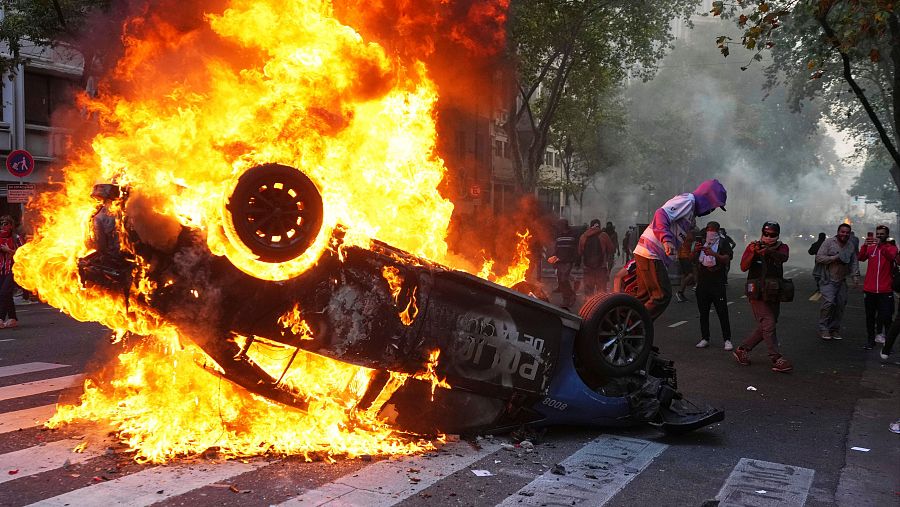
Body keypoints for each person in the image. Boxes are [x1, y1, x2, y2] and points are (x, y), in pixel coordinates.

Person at [631, 179, 727, 320]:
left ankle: (631, 332)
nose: (711, 211)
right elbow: (661, 214)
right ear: (707, 198)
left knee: (644, 297)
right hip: (652, 252)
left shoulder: (691, 215)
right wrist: (666, 240)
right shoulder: (688, 201)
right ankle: (636, 327)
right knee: (661, 296)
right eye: (713, 206)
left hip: (650, 253)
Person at [732, 221, 793, 373]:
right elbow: (743, 266)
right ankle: (776, 357)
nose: (768, 237)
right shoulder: (753, 246)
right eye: (766, 234)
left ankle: (742, 349)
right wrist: (753, 252)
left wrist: (768, 252)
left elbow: (783, 257)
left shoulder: (782, 247)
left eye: (772, 235)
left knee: (766, 326)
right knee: (769, 322)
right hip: (756, 292)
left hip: (773, 291)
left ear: (777, 235)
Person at [815, 223, 860, 341]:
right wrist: (833, 258)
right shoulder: (829, 242)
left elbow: (854, 261)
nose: (844, 234)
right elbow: (819, 257)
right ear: (838, 232)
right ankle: (823, 328)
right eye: (842, 232)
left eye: (847, 232)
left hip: (842, 280)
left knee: (840, 304)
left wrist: (855, 276)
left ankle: (834, 329)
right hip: (828, 279)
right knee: (829, 303)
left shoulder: (851, 245)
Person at [694, 222, 733, 350]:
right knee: (703, 312)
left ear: (717, 231)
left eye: (713, 230)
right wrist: (696, 251)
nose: (710, 232)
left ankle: (727, 339)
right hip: (703, 282)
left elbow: (726, 259)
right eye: (708, 230)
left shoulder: (723, 242)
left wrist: (713, 254)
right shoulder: (702, 242)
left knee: (722, 312)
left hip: (717, 283)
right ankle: (705, 338)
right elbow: (692, 259)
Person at [858, 225, 898, 349]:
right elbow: (861, 257)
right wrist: (865, 245)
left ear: (886, 235)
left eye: (882, 234)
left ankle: (888, 343)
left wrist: (882, 246)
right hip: (869, 290)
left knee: (886, 317)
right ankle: (871, 340)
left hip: (885, 290)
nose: (879, 235)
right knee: (870, 317)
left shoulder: (891, 248)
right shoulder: (871, 248)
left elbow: (891, 257)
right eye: (878, 234)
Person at [579, 219, 614, 296]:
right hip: (601, 268)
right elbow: (611, 249)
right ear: (599, 226)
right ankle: (600, 307)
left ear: (590, 226)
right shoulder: (604, 235)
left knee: (588, 292)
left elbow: (580, 252)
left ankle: (589, 306)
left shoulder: (583, 236)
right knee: (601, 293)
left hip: (587, 268)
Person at [548, 219, 578, 308]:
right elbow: (556, 250)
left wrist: (576, 260)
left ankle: (568, 298)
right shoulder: (559, 237)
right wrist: (554, 259)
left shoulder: (572, 236)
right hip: (559, 261)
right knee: (561, 282)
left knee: (564, 279)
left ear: (564, 226)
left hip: (568, 262)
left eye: (560, 225)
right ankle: (568, 297)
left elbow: (575, 250)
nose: (559, 227)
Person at [0, 216, 23, 329]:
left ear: (10, 225)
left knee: (4, 293)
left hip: (13, 270)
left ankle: (1, 318)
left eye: (5, 224)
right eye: (1, 224)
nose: (3, 226)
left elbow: (24, 254)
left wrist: (9, 251)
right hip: (1, 270)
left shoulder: (16, 238)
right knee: (6, 294)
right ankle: (13, 318)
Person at [674, 229, 698, 302]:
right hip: (685, 256)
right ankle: (680, 292)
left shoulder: (687, 232)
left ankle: (681, 293)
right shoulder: (685, 232)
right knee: (690, 274)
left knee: (685, 275)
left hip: (685, 255)